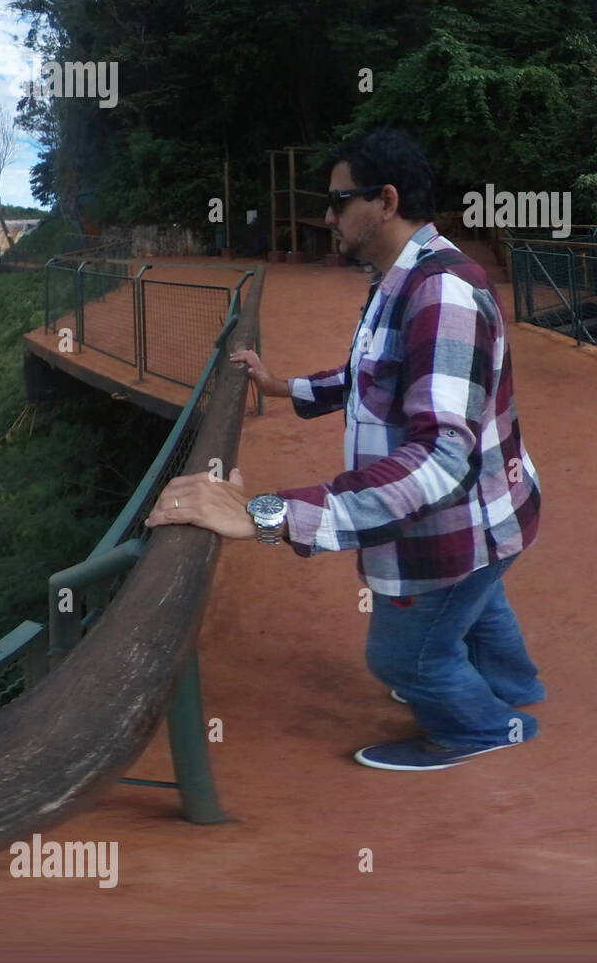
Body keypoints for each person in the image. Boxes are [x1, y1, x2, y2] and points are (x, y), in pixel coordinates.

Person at [143, 126, 545, 772]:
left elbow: (441, 459)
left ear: (384, 200)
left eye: (337, 201)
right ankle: (517, 687)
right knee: (477, 601)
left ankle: (484, 729)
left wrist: (265, 515)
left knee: (404, 657)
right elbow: (376, 371)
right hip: (492, 515)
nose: (326, 216)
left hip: (448, 526)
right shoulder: (402, 278)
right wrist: (284, 387)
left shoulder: (438, 292)